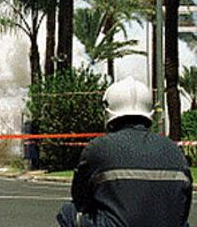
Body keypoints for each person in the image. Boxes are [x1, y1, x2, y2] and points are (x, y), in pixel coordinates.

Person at [57, 77, 193, 227]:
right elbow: (183, 208)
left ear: (108, 111)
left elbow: (80, 198)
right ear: (150, 113)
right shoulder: (175, 150)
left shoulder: (98, 148)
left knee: (68, 212)